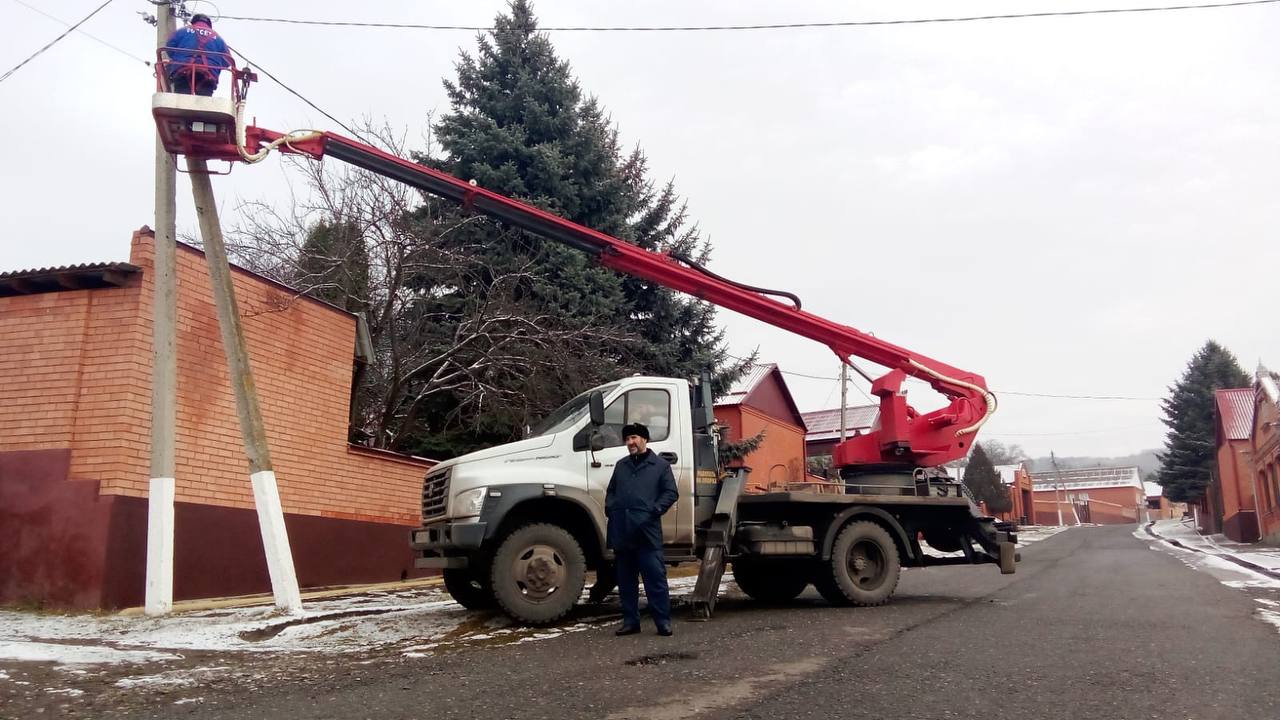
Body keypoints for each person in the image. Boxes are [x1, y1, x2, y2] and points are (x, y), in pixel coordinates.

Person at [605, 423, 678, 636]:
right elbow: (611, 491)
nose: (630, 443)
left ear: (645, 439)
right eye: (627, 439)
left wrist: (654, 510)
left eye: (634, 438)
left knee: (655, 579)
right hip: (622, 530)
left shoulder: (660, 466)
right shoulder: (621, 466)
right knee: (626, 581)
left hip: (647, 532)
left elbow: (670, 493)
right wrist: (612, 509)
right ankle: (630, 622)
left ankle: (663, 622)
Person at [163, 14, 229, 96]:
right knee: (204, 103)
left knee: (182, 100)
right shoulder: (217, 38)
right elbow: (227, 61)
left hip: (182, 70)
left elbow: (169, 46)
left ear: (193, 22)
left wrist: (177, 59)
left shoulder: (183, 31)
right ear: (209, 25)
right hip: (208, 75)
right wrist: (214, 65)